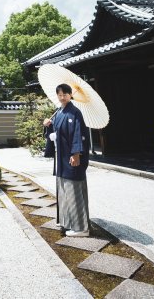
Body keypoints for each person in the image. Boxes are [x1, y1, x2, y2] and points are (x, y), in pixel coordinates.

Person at [43, 83, 91, 237]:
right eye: (59, 94)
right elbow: (55, 133)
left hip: (71, 157)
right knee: (64, 189)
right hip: (61, 157)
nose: (62, 97)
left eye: (65, 94)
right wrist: (48, 126)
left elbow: (78, 133)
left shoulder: (75, 112)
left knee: (74, 189)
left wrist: (76, 153)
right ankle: (67, 221)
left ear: (71, 95)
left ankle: (81, 227)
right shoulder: (58, 112)